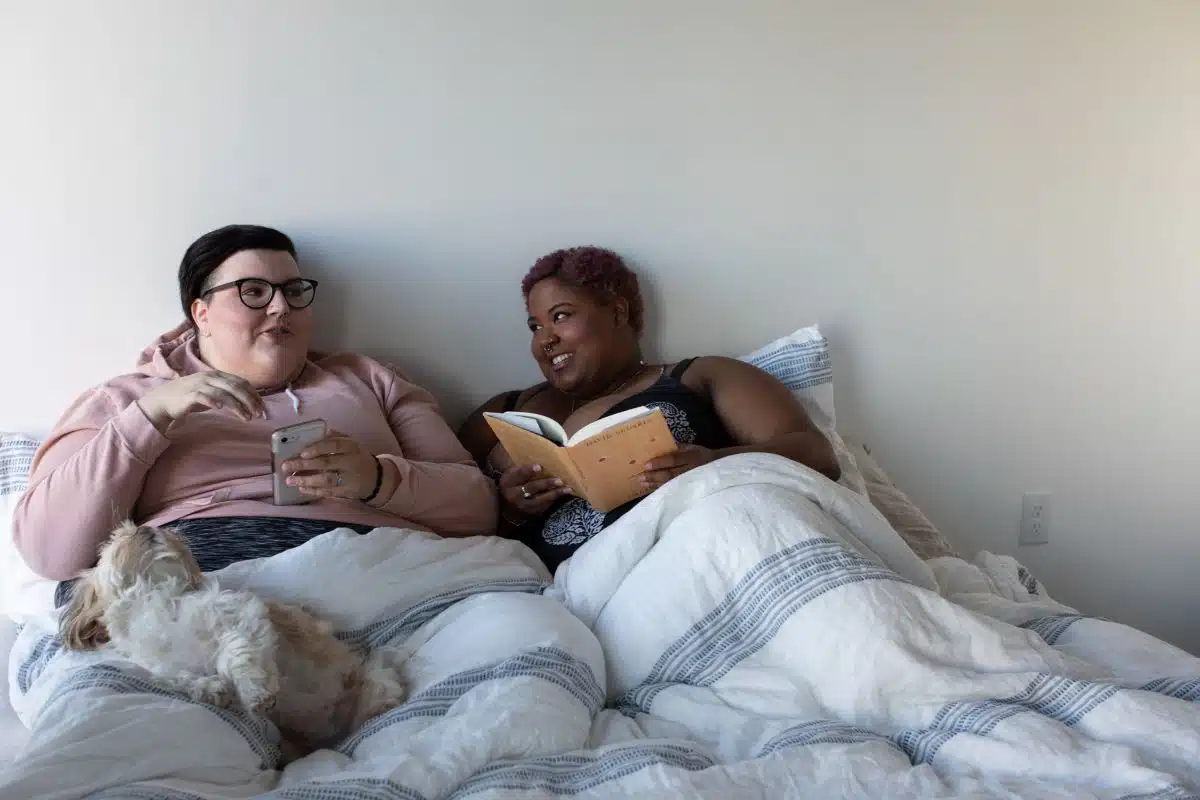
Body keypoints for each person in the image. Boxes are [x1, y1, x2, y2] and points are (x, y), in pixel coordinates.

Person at [14, 224, 496, 595]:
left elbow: (478, 509)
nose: (281, 307)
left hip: (384, 570)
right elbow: (50, 552)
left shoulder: (371, 380)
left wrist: (377, 480)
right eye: (254, 291)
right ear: (200, 313)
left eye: (294, 291)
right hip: (200, 590)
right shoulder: (125, 399)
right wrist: (149, 419)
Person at [458, 246, 839, 572]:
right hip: (555, 592)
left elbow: (818, 456)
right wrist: (513, 511)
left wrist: (713, 465)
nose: (545, 339)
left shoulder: (700, 376)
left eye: (560, 316)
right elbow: (441, 520)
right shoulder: (508, 411)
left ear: (618, 312)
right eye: (534, 326)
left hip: (689, 560)